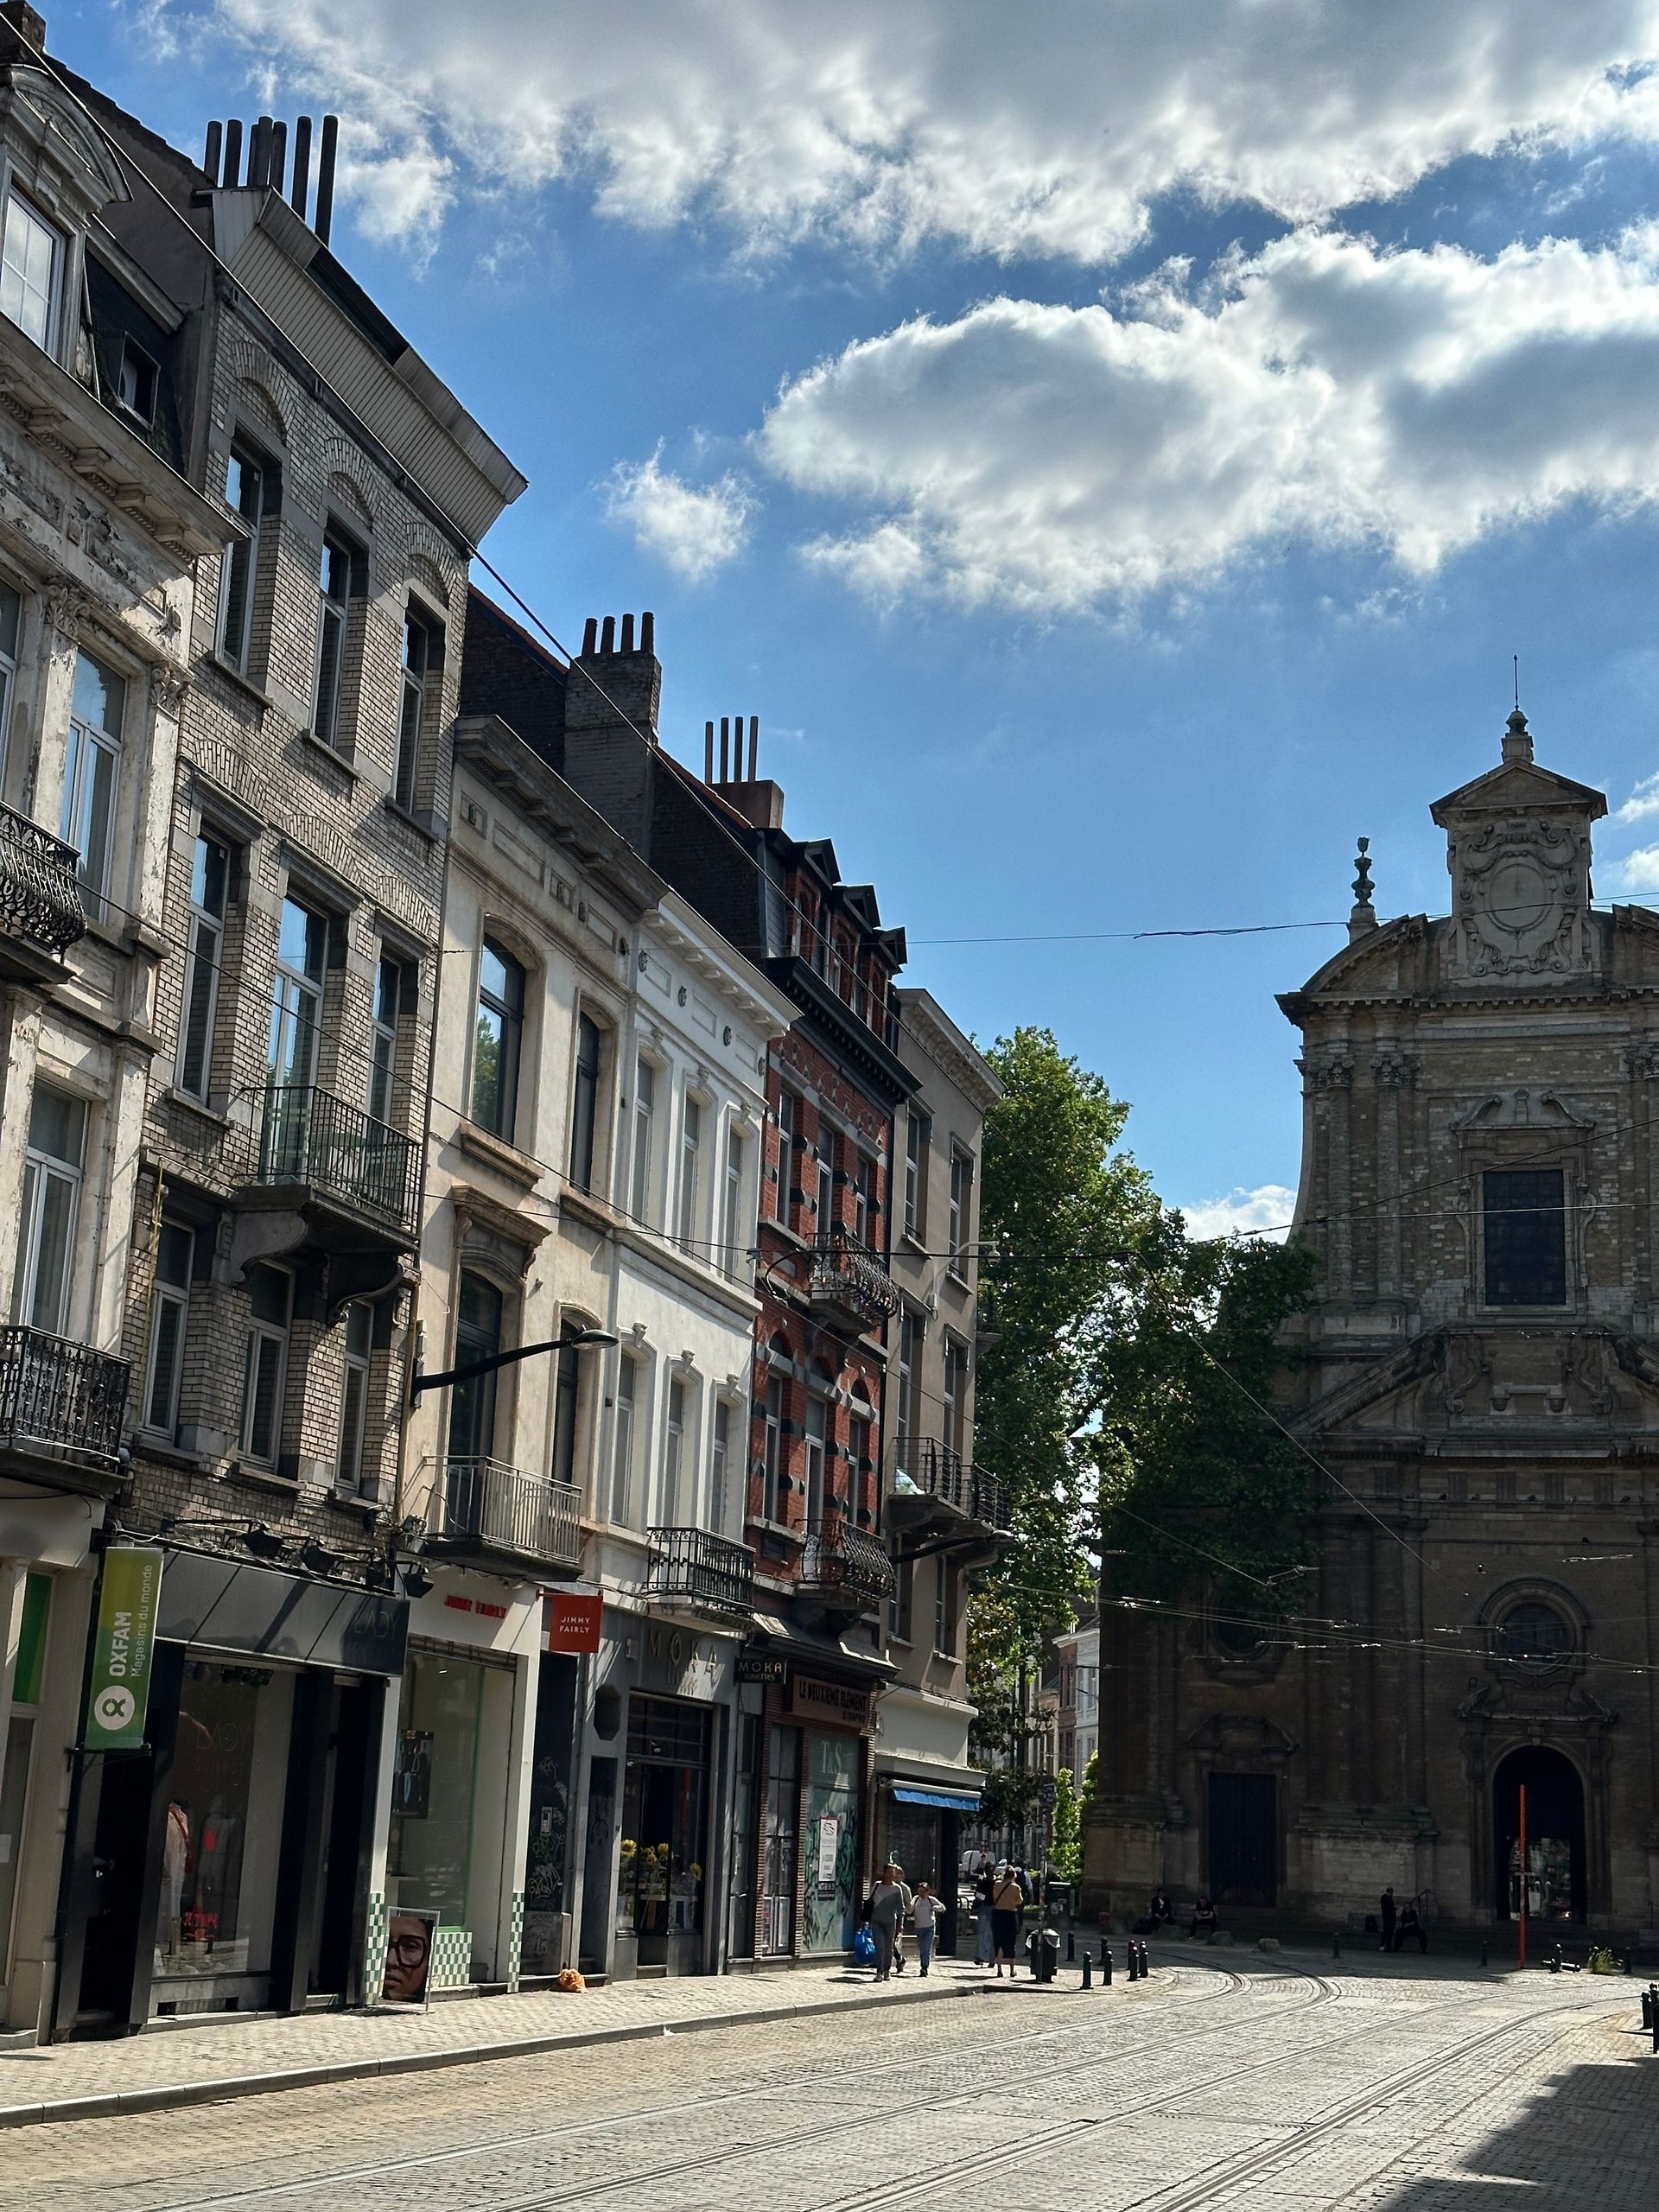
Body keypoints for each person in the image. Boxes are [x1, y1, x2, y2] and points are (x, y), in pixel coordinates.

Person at [865, 1863, 906, 1982]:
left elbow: (901, 1908)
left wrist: (900, 1923)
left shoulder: (897, 1889)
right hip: (876, 1920)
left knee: (889, 1947)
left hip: (890, 1922)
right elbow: (869, 1900)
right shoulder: (877, 1886)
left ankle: (887, 1970)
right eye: (889, 1872)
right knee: (879, 1946)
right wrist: (867, 1919)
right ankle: (879, 1971)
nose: (892, 1874)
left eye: (893, 1872)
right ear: (884, 1873)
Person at [991, 1860, 1026, 1977]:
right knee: (1010, 1943)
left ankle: (999, 1969)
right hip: (1010, 1915)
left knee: (998, 1942)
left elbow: (994, 1897)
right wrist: (1012, 1902)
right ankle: (1011, 1970)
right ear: (1014, 1876)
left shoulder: (997, 1884)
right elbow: (1020, 1900)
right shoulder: (1016, 1888)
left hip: (997, 1915)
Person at [912, 1881, 939, 1976]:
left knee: (926, 1947)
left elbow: (942, 1907)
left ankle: (924, 1967)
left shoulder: (931, 1900)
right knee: (922, 1948)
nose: (921, 1894)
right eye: (920, 1891)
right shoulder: (916, 1899)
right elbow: (910, 1908)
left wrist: (935, 1908)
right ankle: (923, 1964)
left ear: (928, 1892)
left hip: (929, 1927)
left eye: (923, 1892)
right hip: (919, 1927)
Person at [890, 1862, 913, 1973]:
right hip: (885, 1915)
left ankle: (898, 1959)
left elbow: (908, 1906)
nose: (895, 1876)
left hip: (898, 1917)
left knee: (891, 1942)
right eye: (894, 1873)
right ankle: (899, 1959)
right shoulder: (887, 1885)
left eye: (898, 1873)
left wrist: (902, 1921)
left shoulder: (905, 1889)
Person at [974, 1859, 995, 1965]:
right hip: (987, 1907)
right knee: (986, 1933)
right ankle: (984, 1957)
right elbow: (977, 1893)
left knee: (987, 1933)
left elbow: (978, 1893)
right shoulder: (985, 1881)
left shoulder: (992, 1882)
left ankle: (987, 1957)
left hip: (989, 1907)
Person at [1379, 1885, 1397, 1954]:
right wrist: (1393, 1909)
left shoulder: (1384, 1897)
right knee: (1388, 1932)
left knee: (1387, 1931)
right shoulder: (1387, 1898)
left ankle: (1385, 1945)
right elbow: (1388, 1908)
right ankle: (1386, 1945)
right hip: (1389, 1918)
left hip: (1387, 1917)